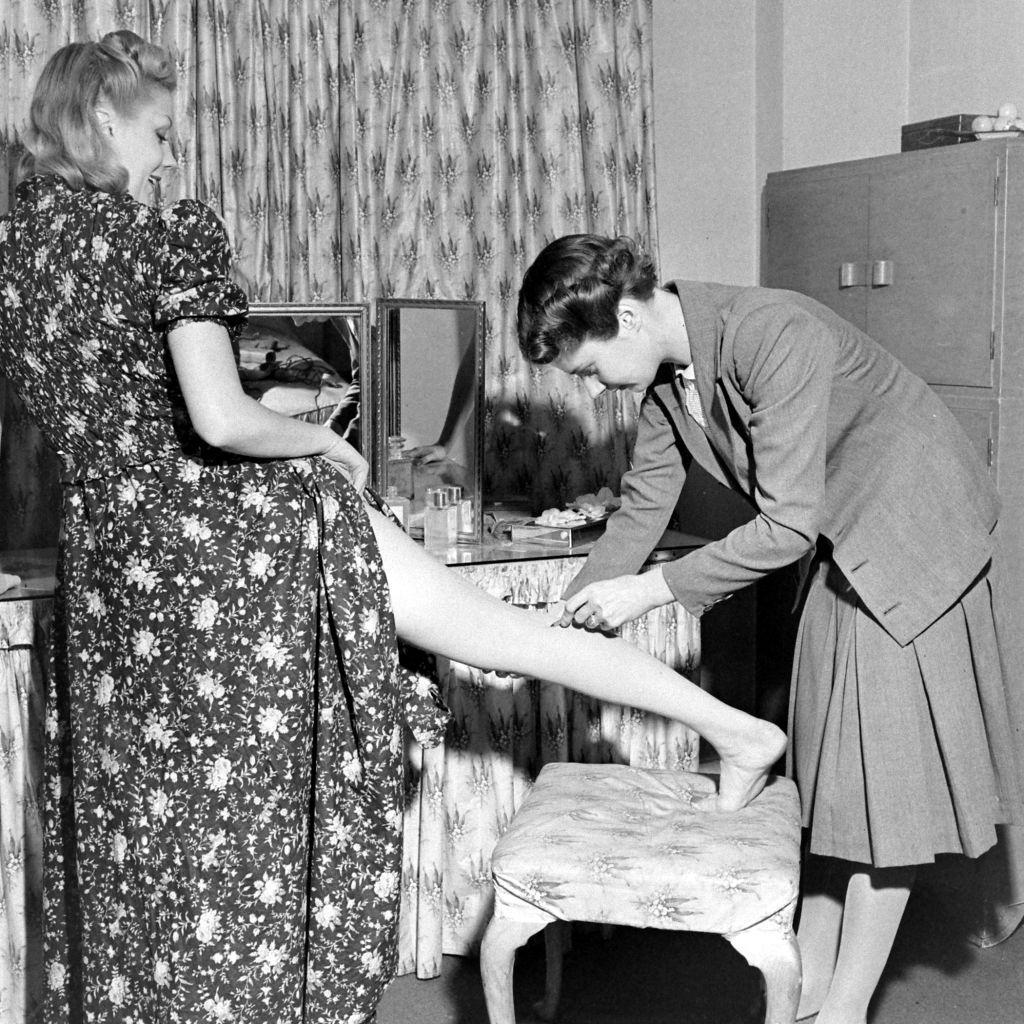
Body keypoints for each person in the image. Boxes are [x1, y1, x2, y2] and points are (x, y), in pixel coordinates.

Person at [0, 35, 786, 1024]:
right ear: (105, 117)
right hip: (234, 542)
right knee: (508, 644)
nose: (166, 159)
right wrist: (329, 450)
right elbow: (221, 418)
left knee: (159, 835)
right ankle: (739, 728)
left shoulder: (20, 254)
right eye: (157, 133)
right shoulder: (161, 236)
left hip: (120, 571)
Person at [516, 233, 1024, 1024]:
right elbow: (644, 510)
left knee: (888, 795)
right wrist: (567, 615)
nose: (592, 387)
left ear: (627, 315)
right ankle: (809, 991)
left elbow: (784, 527)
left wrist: (650, 593)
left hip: (914, 533)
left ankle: (845, 1010)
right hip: (843, 538)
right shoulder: (664, 386)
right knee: (830, 782)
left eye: (586, 368)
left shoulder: (771, 333)